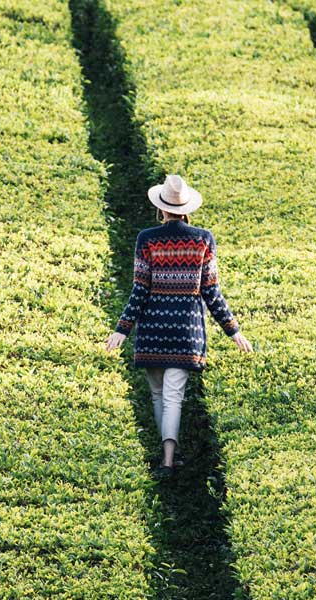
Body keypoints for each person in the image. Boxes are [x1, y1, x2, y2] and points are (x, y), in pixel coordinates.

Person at [105, 173, 252, 477]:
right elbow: (211, 291)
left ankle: (167, 456)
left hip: (153, 331)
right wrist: (233, 330)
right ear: (187, 208)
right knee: (173, 396)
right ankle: (170, 459)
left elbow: (140, 289)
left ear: (161, 208)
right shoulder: (203, 239)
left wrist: (122, 328)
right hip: (186, 332)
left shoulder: (147, 239)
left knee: (159, 395)